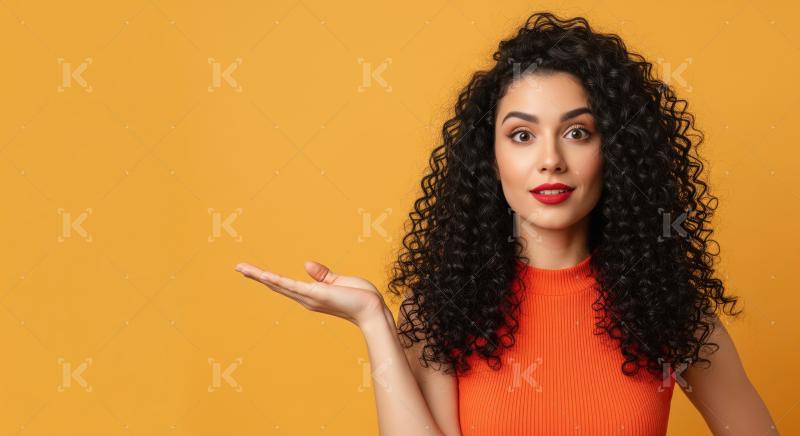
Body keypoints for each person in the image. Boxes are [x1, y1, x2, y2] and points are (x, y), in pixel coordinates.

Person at [234, 11, 778, 435]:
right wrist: (375, 322)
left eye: (577, 132)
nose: (550, 160)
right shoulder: (443, 310)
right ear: (489, 158)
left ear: (616, 152)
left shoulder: (668, 308)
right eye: (522, 135)